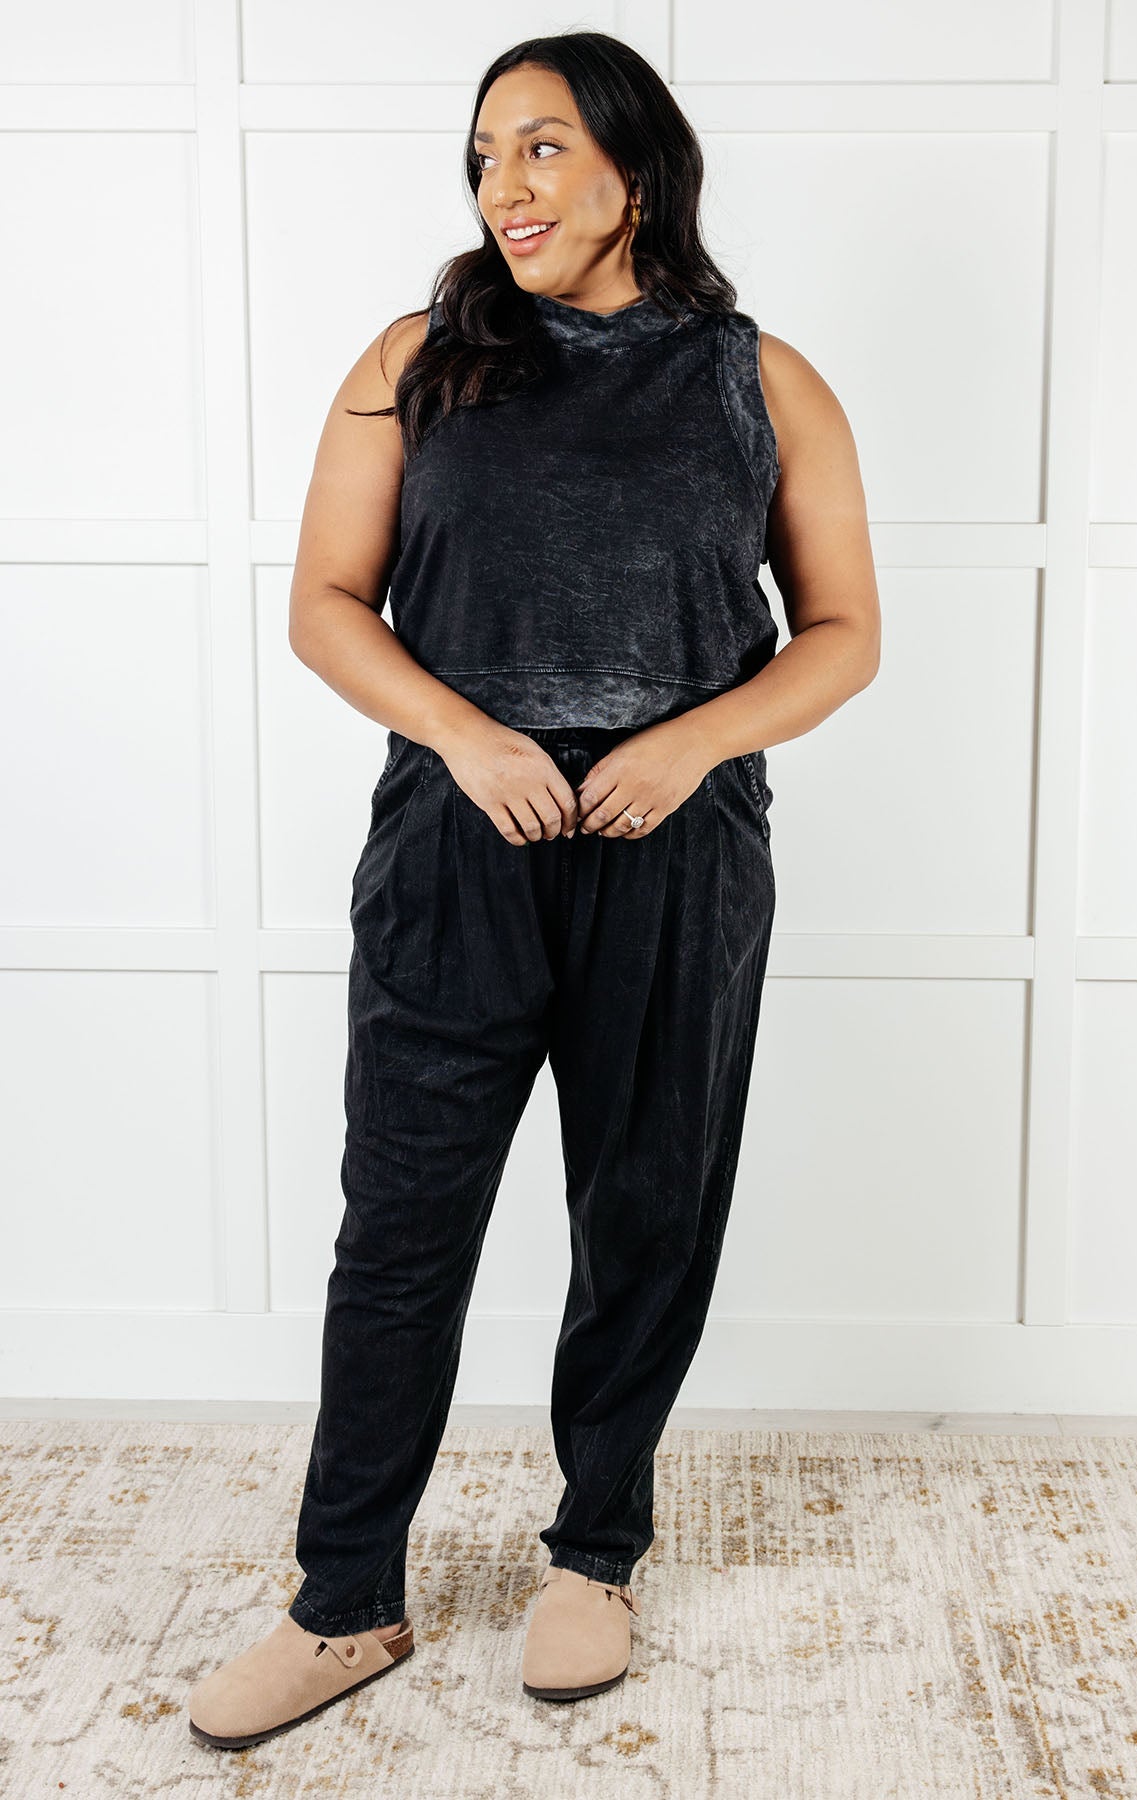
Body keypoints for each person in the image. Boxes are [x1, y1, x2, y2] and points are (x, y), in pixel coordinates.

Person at [187, 29, 879, 1752]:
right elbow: (326, 600)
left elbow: (845, 634)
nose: (505, 182)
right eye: (485, 153)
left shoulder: (763, 379)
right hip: (454, 846)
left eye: (544, 145)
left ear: (637, 167)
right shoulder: (415, 360)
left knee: (646, 1214)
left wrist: (693, 744)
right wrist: (468, 735)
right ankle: (343, 1600)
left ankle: (595, 1555)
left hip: (678, 854)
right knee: (400, 1228)